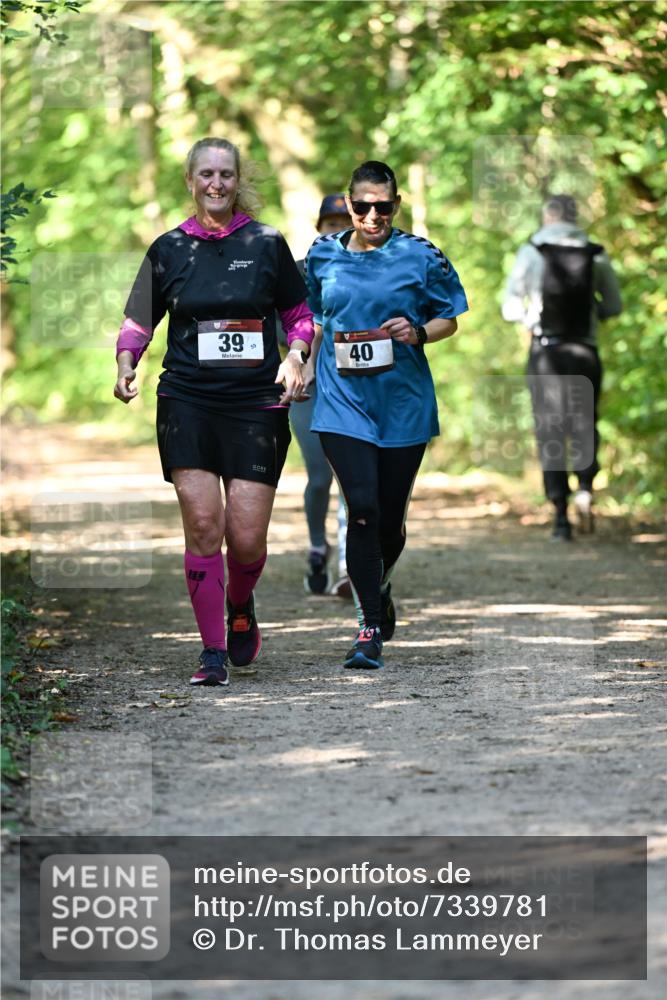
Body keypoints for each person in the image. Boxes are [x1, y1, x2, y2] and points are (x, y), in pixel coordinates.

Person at [114, 137, 313, 687]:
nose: (217, 184)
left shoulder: (267, 243)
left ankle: (240, 603)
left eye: (226, 174)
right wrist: (127, 363)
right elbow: (138, 321)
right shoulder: (169, 249)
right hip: (188, 399)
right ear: (191, 180)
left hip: (255, 402)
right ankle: (211, 651)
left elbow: (299, 315)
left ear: (237, 179)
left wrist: (297, 354)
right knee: (204, 525)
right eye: (207, 174)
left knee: (246, 539)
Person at [305, 160, 468, 669]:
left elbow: (451, 318)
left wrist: (417, 333)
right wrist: (301, 362)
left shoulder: (420, 255)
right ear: (348, 205)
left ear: (396, 205)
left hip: (402, 403)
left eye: (383, 206)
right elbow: (307, 318)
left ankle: (378, 583)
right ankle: (368, 628)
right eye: (362, 205)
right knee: (363, 509)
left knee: (391, 524)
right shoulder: (319, 256)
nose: (373, 215)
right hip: (341, 403)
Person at [502, 194, 622, 540]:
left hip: (546, 352)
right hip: (585, 350)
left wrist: (530, 317)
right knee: (585, 422)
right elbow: (613, 305)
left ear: (547, 216)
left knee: (550, 429)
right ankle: (585, 488)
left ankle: (560, 516)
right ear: (576, 216)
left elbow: (510, 307)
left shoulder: (531, 251)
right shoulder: (596, 253)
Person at [290, 194, 353, 597]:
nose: (337, 229)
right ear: (319, 228)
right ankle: (318, 545)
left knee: (351, 478)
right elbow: (286, 328)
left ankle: (349, 564)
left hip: (352, 387)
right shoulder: (297, 272)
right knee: (319, 476)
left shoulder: (368, 272)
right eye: (330, 224)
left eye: (344, 222)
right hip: (308, 388)